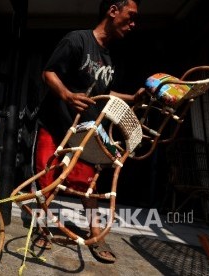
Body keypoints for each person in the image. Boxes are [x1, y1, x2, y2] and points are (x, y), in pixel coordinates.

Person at [33, 0, 145, 263]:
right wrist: (68, 95)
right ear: (112, 10)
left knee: (88, 185)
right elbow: (48, 73)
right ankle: (42, 228)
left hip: (85, 131)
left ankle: (96, 233)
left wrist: (132, 97)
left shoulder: (110, 57)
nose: (133, 24)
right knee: (46, 178)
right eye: (130, 17)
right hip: (55, 122)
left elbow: (103, 94)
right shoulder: (77, 40)